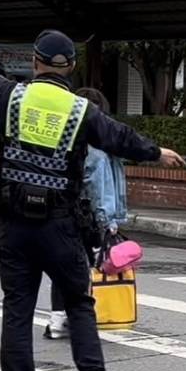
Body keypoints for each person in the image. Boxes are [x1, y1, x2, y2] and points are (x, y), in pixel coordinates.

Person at [0, 0, 186, 371]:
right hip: (59, 225)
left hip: (15, 224)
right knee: (80, 302)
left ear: (35, 63)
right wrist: (157, 152)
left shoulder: (8, 97)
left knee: (17, 309)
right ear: (70, 68)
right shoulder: (82, 111)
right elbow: (121, 138)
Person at [46, 87, 127, 341]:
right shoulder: (99, 151)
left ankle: (57, 319)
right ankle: (77, 319)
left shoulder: (63, 139)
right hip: (87, 217)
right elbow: (99, 190)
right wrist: (108, 221)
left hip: (61, 211)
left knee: (63, 266)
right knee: (86, 268)